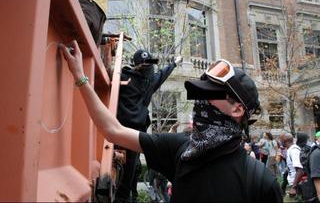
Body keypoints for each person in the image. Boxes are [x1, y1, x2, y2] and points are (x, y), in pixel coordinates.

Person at [59, 41, 282, 202]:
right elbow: (113, 130)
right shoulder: (182, 148)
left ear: (237, 109)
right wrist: (80, 78)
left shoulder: (260, 182)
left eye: (210, 93)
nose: (200, 101)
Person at [115, 49, 181, 202]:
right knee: (128, 176)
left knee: (130, 173)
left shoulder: (125, 76)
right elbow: (162, 75)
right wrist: (174, 64)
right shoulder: (148, 81)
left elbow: (161, 75)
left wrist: (173, 64)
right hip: (132, 134)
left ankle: (128, 196)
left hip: (119, 130)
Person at [280, 133, 304, 202]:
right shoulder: (290, 149)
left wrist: (294, 187)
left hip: (296, 185)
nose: (280, 141)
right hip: (293, 184)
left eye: (280, 139)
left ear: (284, 140)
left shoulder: (294, 151)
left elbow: (300, 170)